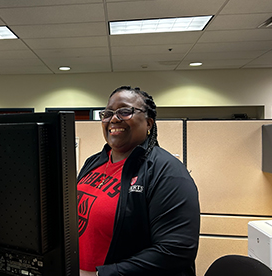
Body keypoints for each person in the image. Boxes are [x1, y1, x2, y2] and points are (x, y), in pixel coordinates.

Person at [77, 86, 200, 276]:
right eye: (108, 113)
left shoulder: (168, 172)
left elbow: (176, 251)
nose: (114, 118)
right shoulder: (93, 162)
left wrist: (101, 274)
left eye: (125, 111)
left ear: (149, 123)